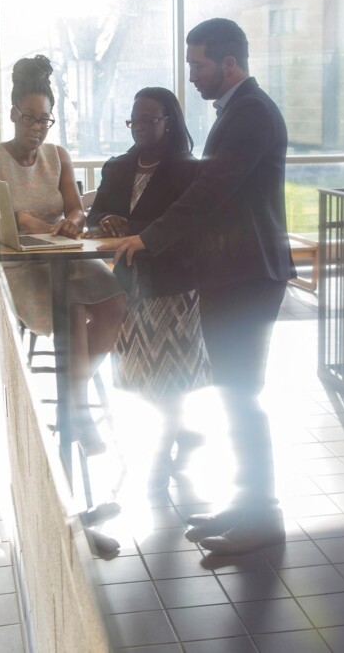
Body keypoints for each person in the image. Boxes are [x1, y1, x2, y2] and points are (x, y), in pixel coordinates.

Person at [103, 18, 293, 555]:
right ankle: (247, 505)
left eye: (198, 64)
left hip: (247, 275)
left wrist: (150, 237)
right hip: (234, 273)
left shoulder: (250, 113)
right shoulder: (237, 111)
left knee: (243, 397)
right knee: (234, 396)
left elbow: (210, 190)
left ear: (229, 63)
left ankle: (264, 517)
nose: (192, 75)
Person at [0, 55, 125, 456]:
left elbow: (76, 209)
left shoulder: (58, 156)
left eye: (44, 120)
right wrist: (23, 219)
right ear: (13, 114)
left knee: (115, 302)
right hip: (24, 265)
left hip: (66, 255)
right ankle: (81, 413)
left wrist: (71, 221)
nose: (37, 128)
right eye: (29, 118)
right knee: (69, 311)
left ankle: (76, 393)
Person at [85, 87, 209, 486]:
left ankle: (165, 448)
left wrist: (132, 228)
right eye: (134, 120)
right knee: (139, 375)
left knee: (170, 375)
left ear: (168, 122)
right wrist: (106, 221)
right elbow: (98, 212)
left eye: (148, 120)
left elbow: (184, 227)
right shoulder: (118, 167)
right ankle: (184, 432)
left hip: (172, 283)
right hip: (128, 282)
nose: (138, 127)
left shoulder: (187, 171)